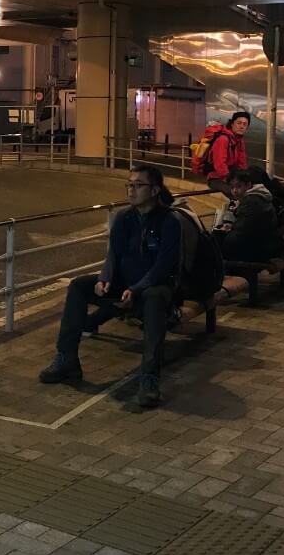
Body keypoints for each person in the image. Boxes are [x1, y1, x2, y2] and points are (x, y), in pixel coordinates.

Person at [39, 165, 179, 408]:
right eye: (129, 185)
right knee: (79, 286)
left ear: (155, 190)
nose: (131, 190)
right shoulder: (124, 217)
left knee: (155, 298)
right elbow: (113, 254)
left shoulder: (169, 221)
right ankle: (66, 358)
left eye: (138, 185)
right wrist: (105, 279)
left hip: (153, 287)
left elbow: (163, 267)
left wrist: (136, 289)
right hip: (123, 285)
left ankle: (149, 378)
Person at [218, 168, 280, 264]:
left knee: (219, 239)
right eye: (232, 187)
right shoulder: (259, 195)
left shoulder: (252, 201)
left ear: (248, 185)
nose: (235, 191)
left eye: (239, 186)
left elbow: (243, 229)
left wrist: (228, 229)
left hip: (259, 248)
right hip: (265, 242)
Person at [205, 111, 251, 197]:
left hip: (232, 177)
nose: (241, 126)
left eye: (245, 124)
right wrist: (231, 181)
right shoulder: (223, 139)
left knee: (249, 190)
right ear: (232, 124)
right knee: (237, 193)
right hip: (216, 178)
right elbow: (220, 164)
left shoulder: (240, 142)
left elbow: (242, 163)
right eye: (239, 123)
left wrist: (245, 178)